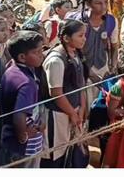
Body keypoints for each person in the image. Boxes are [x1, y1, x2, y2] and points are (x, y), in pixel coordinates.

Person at [40, 19, 89, 168]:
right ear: (67, 38)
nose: (84, 39)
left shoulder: (76, 55)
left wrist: (81, 110)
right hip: (57, 116)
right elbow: (56, 93)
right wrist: (72, 114)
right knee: (55, 155)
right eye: (80, 36)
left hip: (73, 112)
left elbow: (80, 86)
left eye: (84, 35)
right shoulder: (56, 60)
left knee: (70, 152)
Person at [0, 30, 46, 168]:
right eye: (36, 52)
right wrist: (23, 136)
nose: (41, 55)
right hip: (25, 147)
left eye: (41, 50)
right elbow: (19, 115)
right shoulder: (26, 82)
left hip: (9, 139)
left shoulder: (12, 68)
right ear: (22, 57)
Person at [67, 0, 119, 107]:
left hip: (103, 69)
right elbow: (73, 52)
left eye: (106, 2)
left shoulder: (111, 21)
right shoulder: (78, 22)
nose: (104, 7)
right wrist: (90, 74)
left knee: (102, 107)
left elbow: (114, 46)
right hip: (80, 70)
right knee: (84, 108)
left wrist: (112, 67)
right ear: (88, 3)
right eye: (98, 3)